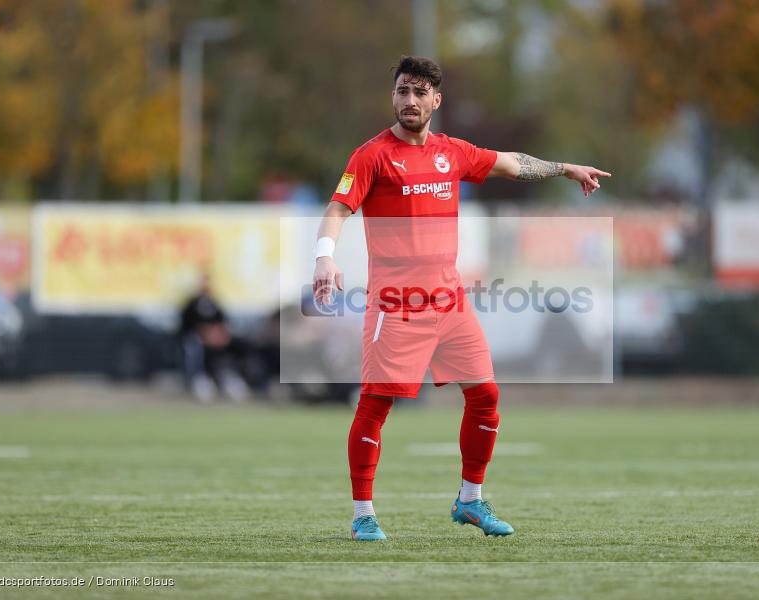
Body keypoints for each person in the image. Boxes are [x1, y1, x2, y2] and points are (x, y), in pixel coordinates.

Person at [312, 56, 610, 542]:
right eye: (402, 91)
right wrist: (324, 257)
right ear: (393, 97)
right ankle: (363, 514)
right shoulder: (371, 156)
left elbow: (511, 163)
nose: (410, 100)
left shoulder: (451, 152)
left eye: (419, 92)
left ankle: (470, 501)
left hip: (449, 302)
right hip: (396, 305)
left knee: (486, 397)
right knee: (375, 405)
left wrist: (564, 169)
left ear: (436, 100)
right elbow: (338, 208)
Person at [178, 274, 248, 402]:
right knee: (194, 346)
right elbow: (186, 325)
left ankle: (228, 376)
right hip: (197, 338)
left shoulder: (215, 304)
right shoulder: (192, 304)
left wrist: (219, 334)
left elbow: (222, 322)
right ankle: (200, 378)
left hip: (215, 340)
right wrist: (205, 333)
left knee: (233, 346)